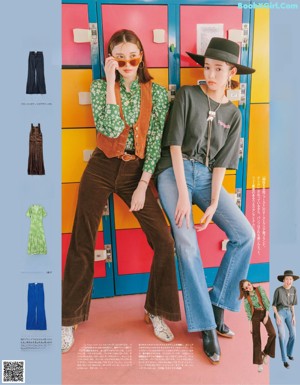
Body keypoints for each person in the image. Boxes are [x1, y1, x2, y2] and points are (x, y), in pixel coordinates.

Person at [61, 29, 181, 353]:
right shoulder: (100, 88)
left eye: (133, 55)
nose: (128, 62)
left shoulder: (155, 93)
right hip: (101, 167)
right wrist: (111, 84)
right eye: (120, 56)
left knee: (165, 241)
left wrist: (143, 185)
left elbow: (154, 143)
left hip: (134, 174)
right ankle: (68, 319)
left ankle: (155, 310)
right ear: (111, 58)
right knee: (83, 240)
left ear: (142, 55)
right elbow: (111, 129)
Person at [156, 37, 255, 364]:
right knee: (186, 244)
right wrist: (184, 195)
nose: (211, 73)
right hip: (175, 173)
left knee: (245, 235)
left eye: (218, 69)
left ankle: (218, 304)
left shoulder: (234, 114)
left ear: (231, 73)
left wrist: (213, 203)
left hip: (207, 178)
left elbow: (223, 165)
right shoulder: (187, 95)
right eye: (207, 66)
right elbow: (173, 146)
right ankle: (206, 326)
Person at [239, 279, 276, 372]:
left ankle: (265, 353)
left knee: (273, 333)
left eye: (249, 284)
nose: (249, 287)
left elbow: (266, 302)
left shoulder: (260, 289)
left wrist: (266, 316)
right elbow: (248, 313)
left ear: (251, 283)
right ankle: (259, 363)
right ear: (245, 290)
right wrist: (250, 325)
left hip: (264, 312)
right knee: (256, 339)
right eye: (246, 287)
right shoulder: (246, 299)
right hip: (255, 316)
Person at [272, 270, 298, 369]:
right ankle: (284, 360)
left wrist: (294, 316)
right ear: (283, 280)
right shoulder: (278, 290)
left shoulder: (294, 290)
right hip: (280, 313)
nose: (289, 281)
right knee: (282, 335)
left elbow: (292, 305)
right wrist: (277, 316)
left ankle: (289, 353)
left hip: (289, 313)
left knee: (294, 335)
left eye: (291, 279)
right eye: (287, 279)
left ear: (293, 280)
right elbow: (274, 306)